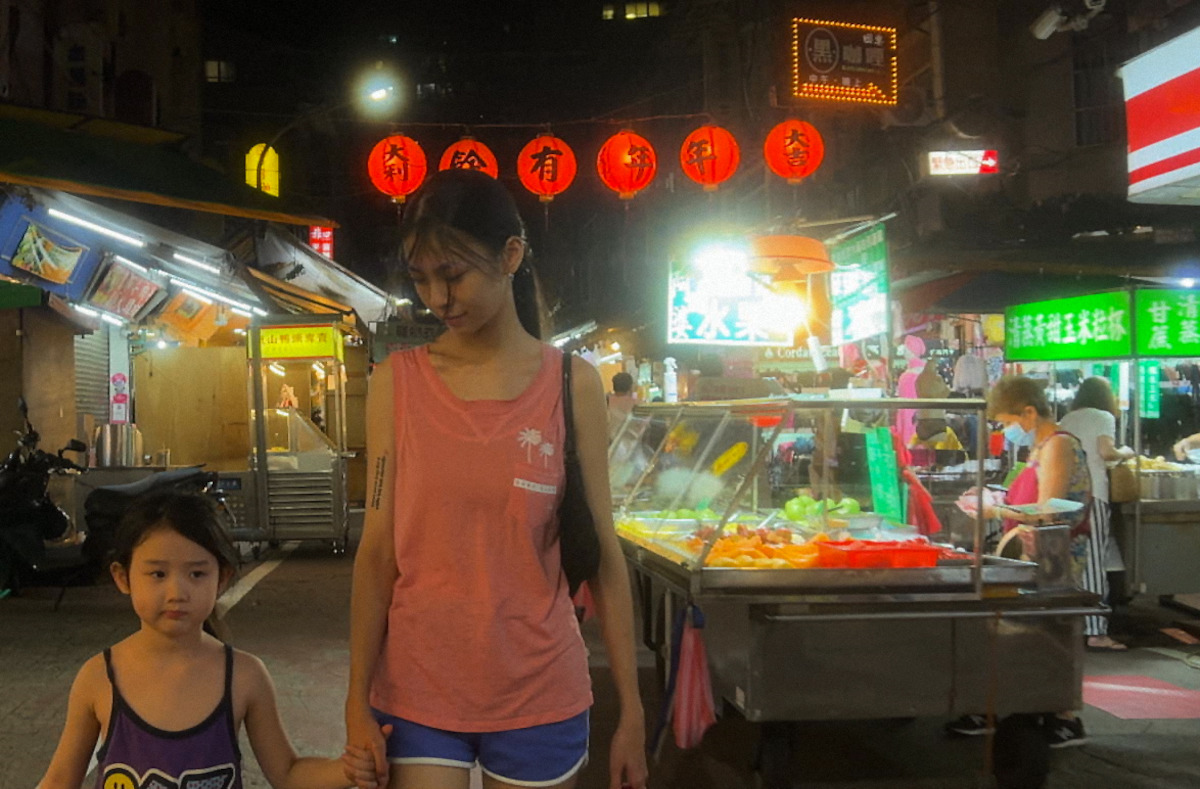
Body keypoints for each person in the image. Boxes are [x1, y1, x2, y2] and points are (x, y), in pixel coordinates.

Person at [344, 169, 648, 789]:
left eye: (453, 274)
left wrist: (633, 713)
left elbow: (603, 552)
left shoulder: (572, 384)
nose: (438, 297)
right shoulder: (396, 383)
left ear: (511, 255)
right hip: (418, 685)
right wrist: (355, 699)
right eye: (421, 278)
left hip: (541, 687)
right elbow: (376, 554)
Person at [37, 491, 358, 789]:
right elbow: (61, 780)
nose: (177, 592)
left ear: (222, 578)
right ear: (123, 577)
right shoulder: (98, 677)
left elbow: (288, 773)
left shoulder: (245, 676)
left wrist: (350, 769)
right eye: (158, 574)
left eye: (197, 574)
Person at [949, 376, 1092, 748]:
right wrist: (997, 499)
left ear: (1029, 412)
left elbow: (1049, 510)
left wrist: (995, 510)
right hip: (1030, 554)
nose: (1007, 430)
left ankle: (1063, 717)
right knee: (1020, 635)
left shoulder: (1059, 445)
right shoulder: (1040, 447)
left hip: (1054, 557)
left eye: (1008, 421)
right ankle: (1012, 705)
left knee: (1049, 634)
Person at [1060, 377, 1135, 650]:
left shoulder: (1068, 418)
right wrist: (1126, 452)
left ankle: (1071, 624)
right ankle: (1095, 630)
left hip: (1067, 496)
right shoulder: (1103, 417)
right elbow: (1106, 452)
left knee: (1072, 560)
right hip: (1094, 495)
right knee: (1093, 561)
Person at [607, 371, 636, 439]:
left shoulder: (606, 402)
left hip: (611, 443)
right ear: (630, 387)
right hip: (631, 443)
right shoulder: (636, 404)